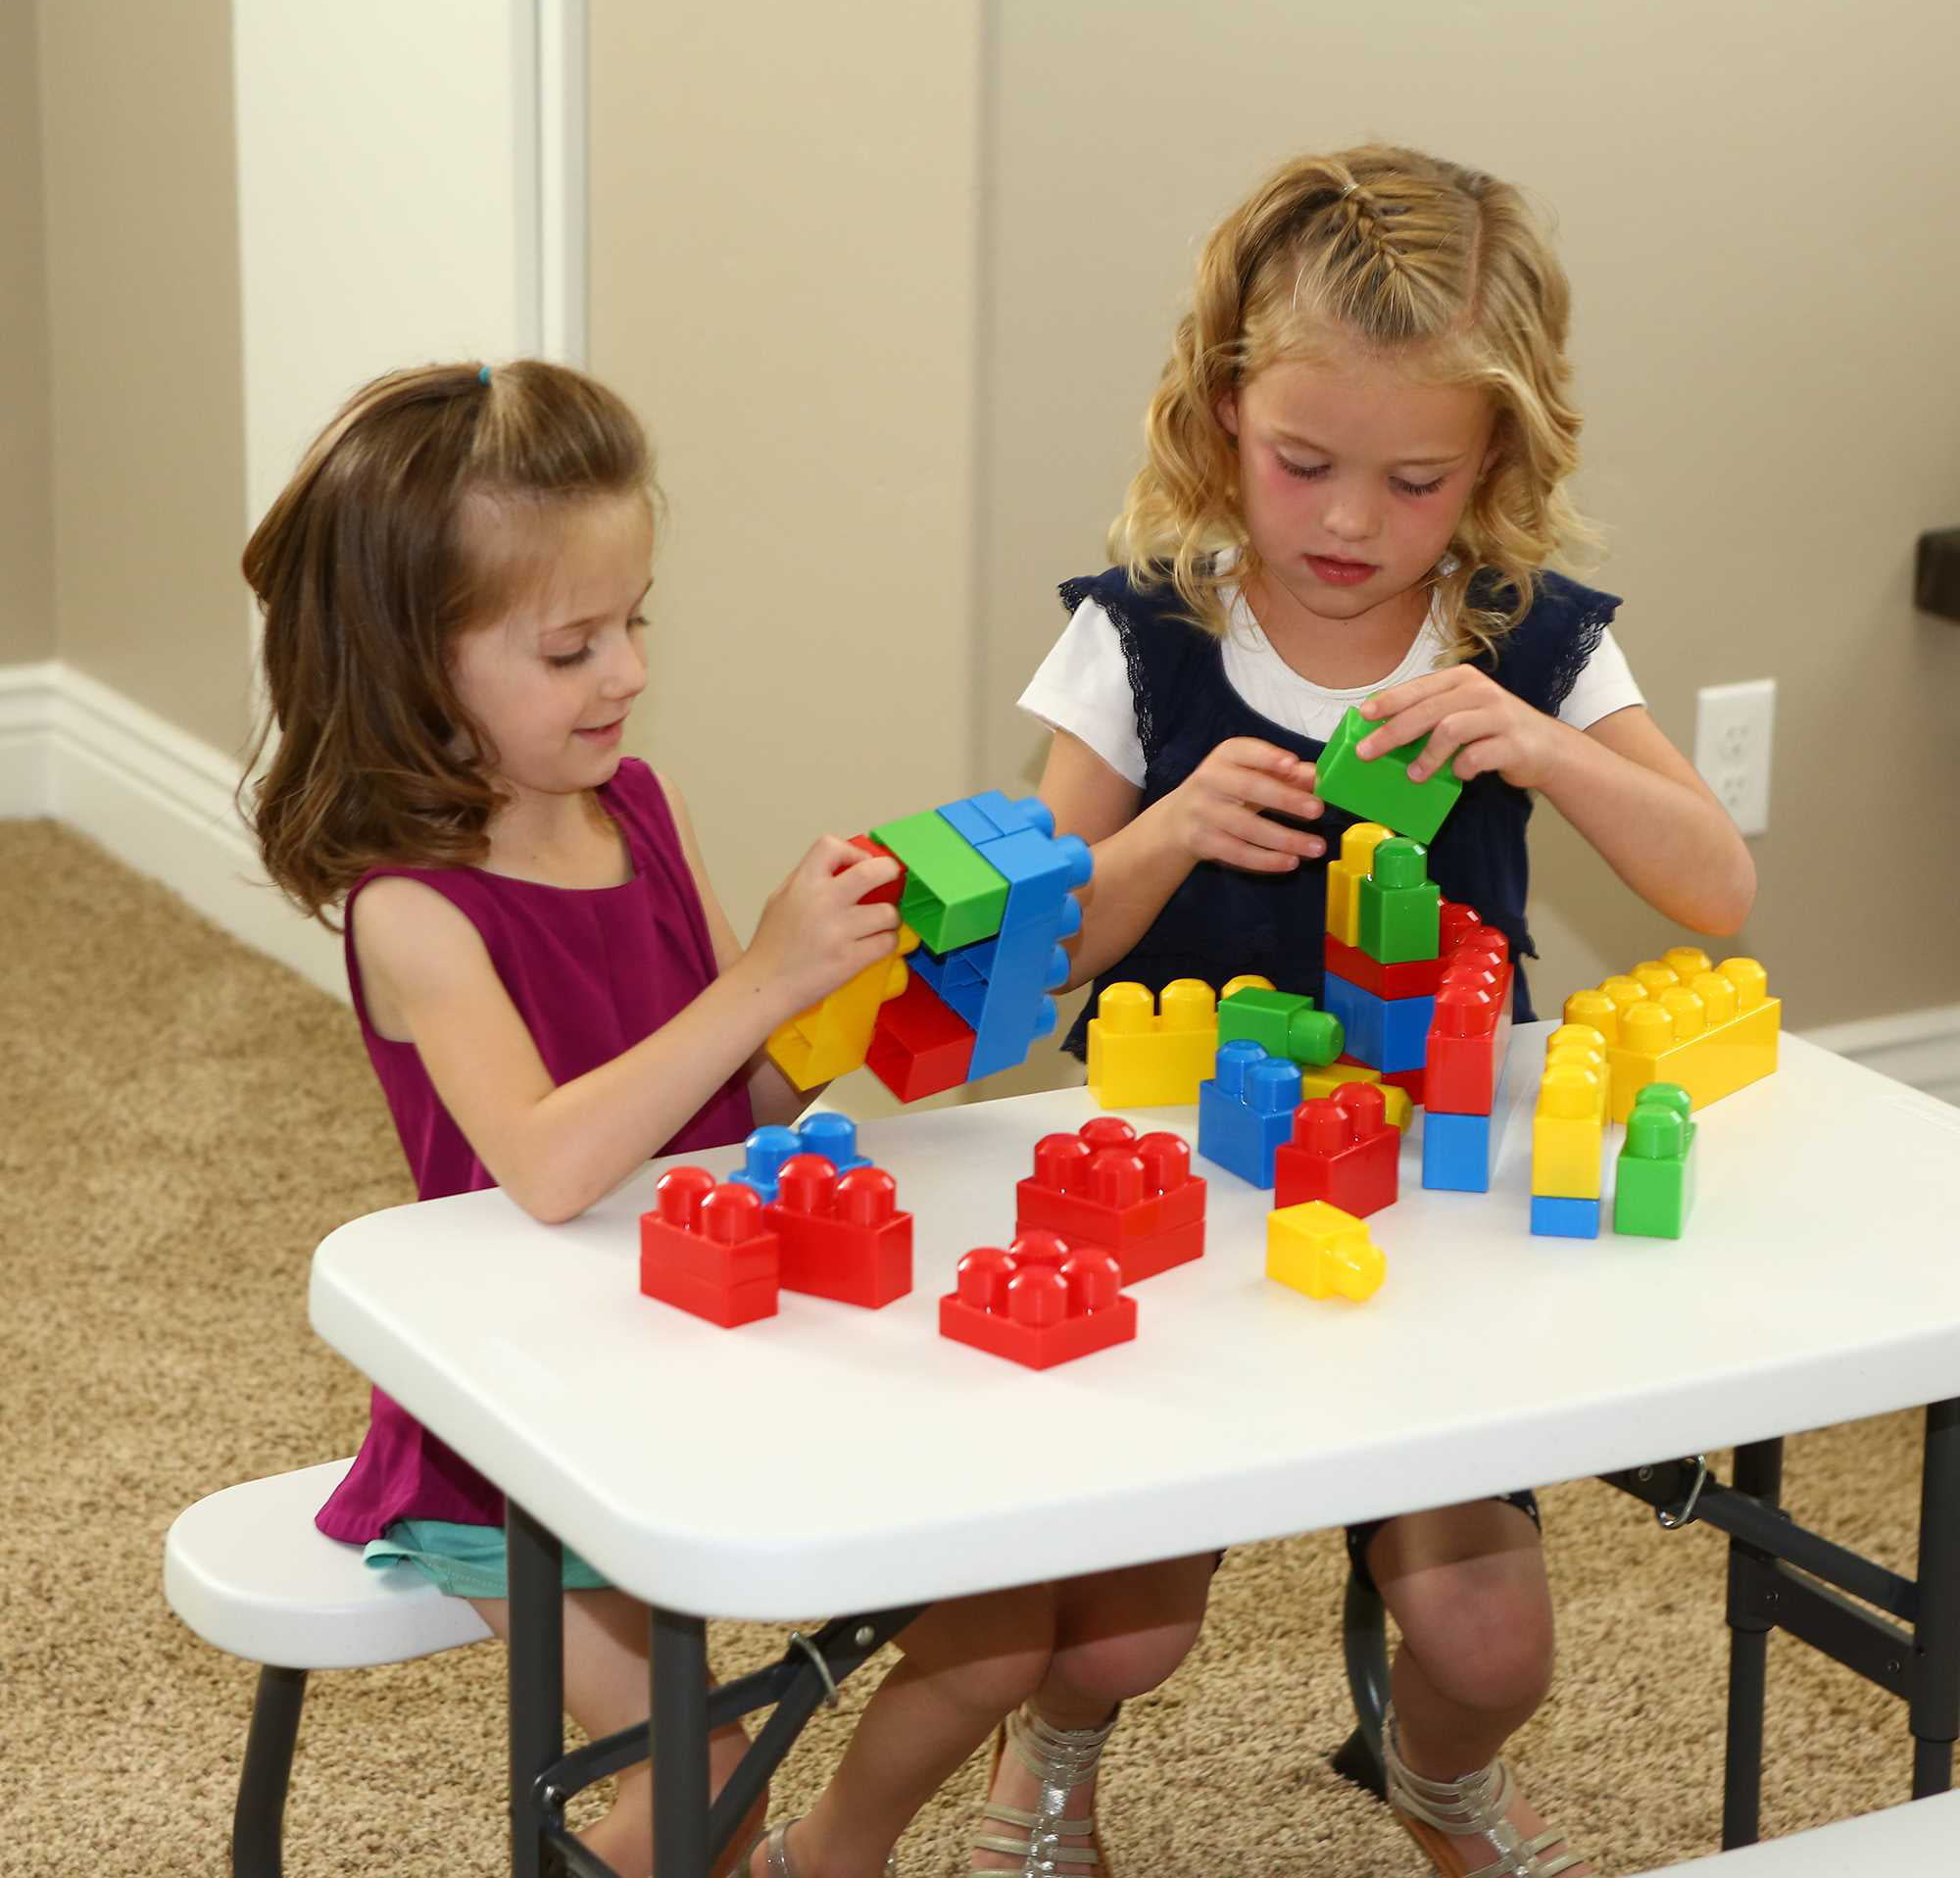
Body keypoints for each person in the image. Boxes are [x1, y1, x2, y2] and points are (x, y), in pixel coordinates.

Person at [242, 359, 1209, 1878]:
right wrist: (760, 977)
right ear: (413, 666)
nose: (623, 673)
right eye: (571, 648)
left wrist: (852, 1014)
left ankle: (844, 1848)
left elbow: (713, 1107)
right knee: (703, 1762)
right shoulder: (413, 913)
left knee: (1009, 1615)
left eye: (635, 623)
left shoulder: (639, 806)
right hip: (513, 1424)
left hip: (707, 1320)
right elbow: (555, 1165)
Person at [1020, 146, 1756, 1878]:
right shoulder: (1138, 641)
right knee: (1119, 1630)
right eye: (1302, 463)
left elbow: (1715, 887)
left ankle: (1432, 1777)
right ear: (1218, 418)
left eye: (1415, 480)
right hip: (1184, 1204)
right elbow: (1037, 956)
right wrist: (1162, 832)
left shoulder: (1533, 640)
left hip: (1435, 1204)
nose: (1349, 522)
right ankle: (1046, 1763)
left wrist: (1545, 744)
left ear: (1496, 464)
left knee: (1496, 1652)